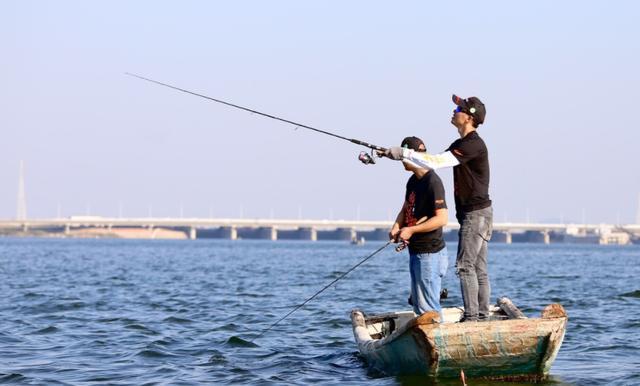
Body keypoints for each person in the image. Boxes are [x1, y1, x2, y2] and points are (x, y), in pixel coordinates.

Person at [383, 95, 492, 322]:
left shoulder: (473, 144)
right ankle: (481, 316)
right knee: (478, 268)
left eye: (458, 108)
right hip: (473, 214)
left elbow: (435, 162)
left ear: (469, 116)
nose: (453, 111)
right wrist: (393, 155)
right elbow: (430, 160)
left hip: (476, 214)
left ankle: (474, 319)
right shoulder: (460, 144)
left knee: (465, 267)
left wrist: (402, 153)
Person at [389, 136, 449, 321]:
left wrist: (412, 230)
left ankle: (437, 344)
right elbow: (406, 207)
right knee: (418, 304)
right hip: (416, 252)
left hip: (430, 253)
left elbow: (442, 219)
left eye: (405, 157)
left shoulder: (433, 182)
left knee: (428, 308)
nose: (402, 162)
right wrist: (397, 226)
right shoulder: (412, 181)